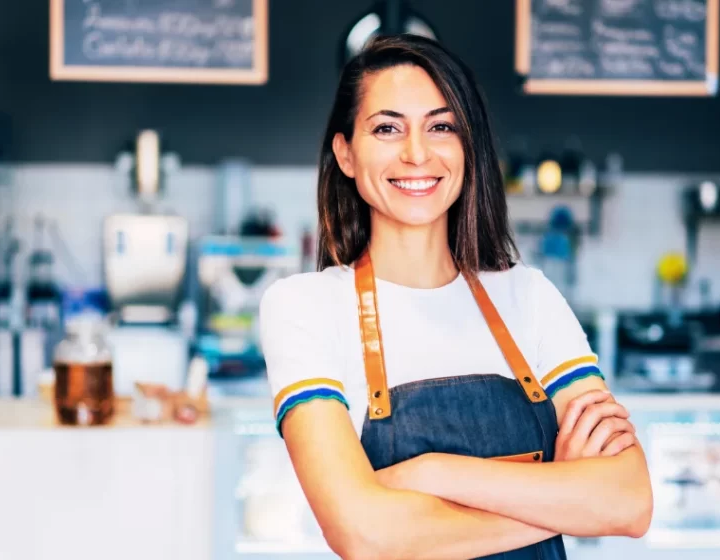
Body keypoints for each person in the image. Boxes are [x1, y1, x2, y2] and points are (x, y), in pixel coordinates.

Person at [259, 34, 653, 560]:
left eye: (441, 126)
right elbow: (362, 535)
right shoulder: (304, 308)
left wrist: (430, 473)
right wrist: (560, 492)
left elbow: (628, 501)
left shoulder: (528, 297)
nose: (416, 152)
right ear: (346, 154)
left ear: (468, 148)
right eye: (387, 128)